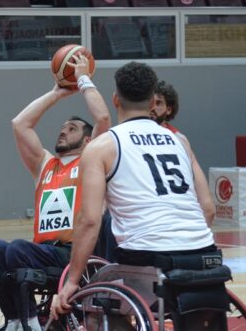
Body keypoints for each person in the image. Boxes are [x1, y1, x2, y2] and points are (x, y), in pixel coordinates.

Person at [52, 62, 218, 319]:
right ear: (153, 101)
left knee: (96, 305)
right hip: (204, 254)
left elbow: (90, 221)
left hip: (147, 258)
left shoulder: (101, 147)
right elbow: (208, 208)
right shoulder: (180, 141)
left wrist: (73, 281)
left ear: (115, 99)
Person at [0, 54, 110, 331]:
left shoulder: (92, 158)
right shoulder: (45, 164)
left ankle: (29, 320)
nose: (63, 132)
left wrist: (82, 78)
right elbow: (20, 124)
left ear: (88, 139)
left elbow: (102, 116)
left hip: (73, 254)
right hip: (42, 252)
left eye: (72, 128)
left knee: (17, 249)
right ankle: (18, 321)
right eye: (63, 127)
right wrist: (56, 93)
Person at [150, 81, 215, 227]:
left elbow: (208, 208)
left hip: (174, 208)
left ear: (169, 109)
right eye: (151, 102)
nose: (153, 107)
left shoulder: (179, 139)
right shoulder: (135, 134)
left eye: (159, 103)